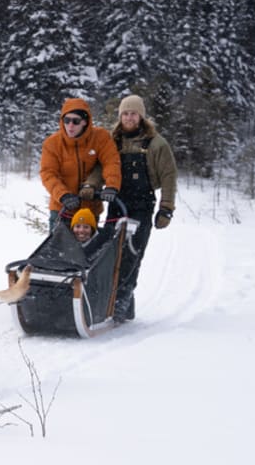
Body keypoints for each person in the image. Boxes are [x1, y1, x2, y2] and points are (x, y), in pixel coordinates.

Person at [110, 94, 177, 323]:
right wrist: (91, 186)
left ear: (141, 116)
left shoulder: (157, 143)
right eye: (125, 113)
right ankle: (115, 301)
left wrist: (166, 208)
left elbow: (169, 176)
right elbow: (101, 167)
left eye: (133, 113)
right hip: (116, 204)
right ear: (120, 117)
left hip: (142, 205)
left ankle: (122, 301)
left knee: (132, 254)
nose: (129, 117)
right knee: (110, 253)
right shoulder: (112, 140)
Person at [40, 97, 121, 232]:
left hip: (89, 209)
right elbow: (48, 174)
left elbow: (111, 162)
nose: (70, 125)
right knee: (58, 251)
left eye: (76, 121)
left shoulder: (100, 137)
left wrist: (112, 185)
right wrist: (63, 195)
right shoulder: (52, 143)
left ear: (85, 122)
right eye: (67, 120)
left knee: (89, 251)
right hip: (62, 208)